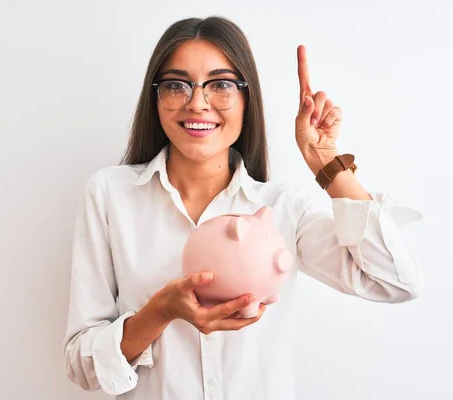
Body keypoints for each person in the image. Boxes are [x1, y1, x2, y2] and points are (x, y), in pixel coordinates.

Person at [62, 16, 423, 400]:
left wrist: (325, 160)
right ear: (155, 97)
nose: (197, 103)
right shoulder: (110, 195)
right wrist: (161, 311)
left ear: (247, 97)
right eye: (176, 85)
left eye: (220, 85)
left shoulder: (281, 209)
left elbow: (395, 282)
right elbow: (82, 364)